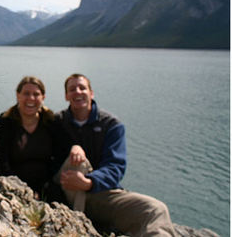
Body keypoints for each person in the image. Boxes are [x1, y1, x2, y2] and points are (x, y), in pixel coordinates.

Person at [55, 73, 177, 237]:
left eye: (82, 88)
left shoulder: (111, 125)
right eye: (72, 89)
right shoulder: (56, 121)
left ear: (91, 93)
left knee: (155, 209)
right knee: (77, 163)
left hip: (98, 194)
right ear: (66, 96)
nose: (77, 92)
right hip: (64, 190)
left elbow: (115, 167)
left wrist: (89, 182)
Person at [0, 76, 79, 202]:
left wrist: (76, 148)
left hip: (44, 183)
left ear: (43, 98)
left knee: (58, 200)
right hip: (10, 183)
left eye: (36, 94)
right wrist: (24, 190)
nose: (31, 98)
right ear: (18, 95)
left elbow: (67, 144)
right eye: (26, 93)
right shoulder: (3, 124)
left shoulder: (51, 121)